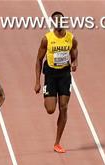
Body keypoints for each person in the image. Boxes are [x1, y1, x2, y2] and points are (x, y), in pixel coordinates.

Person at [34, 10, 78, 153]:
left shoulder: (71, 38)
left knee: (63, 107)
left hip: (64, 75)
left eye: (61, 20)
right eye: (56, 21)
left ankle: (57, 142)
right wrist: (37, 81)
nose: (59, 23)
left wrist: (75, 62)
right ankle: (48, 96)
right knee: (50, 109)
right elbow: (39, 60)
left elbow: (74, 52)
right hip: (51, 75)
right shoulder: (47, 39)